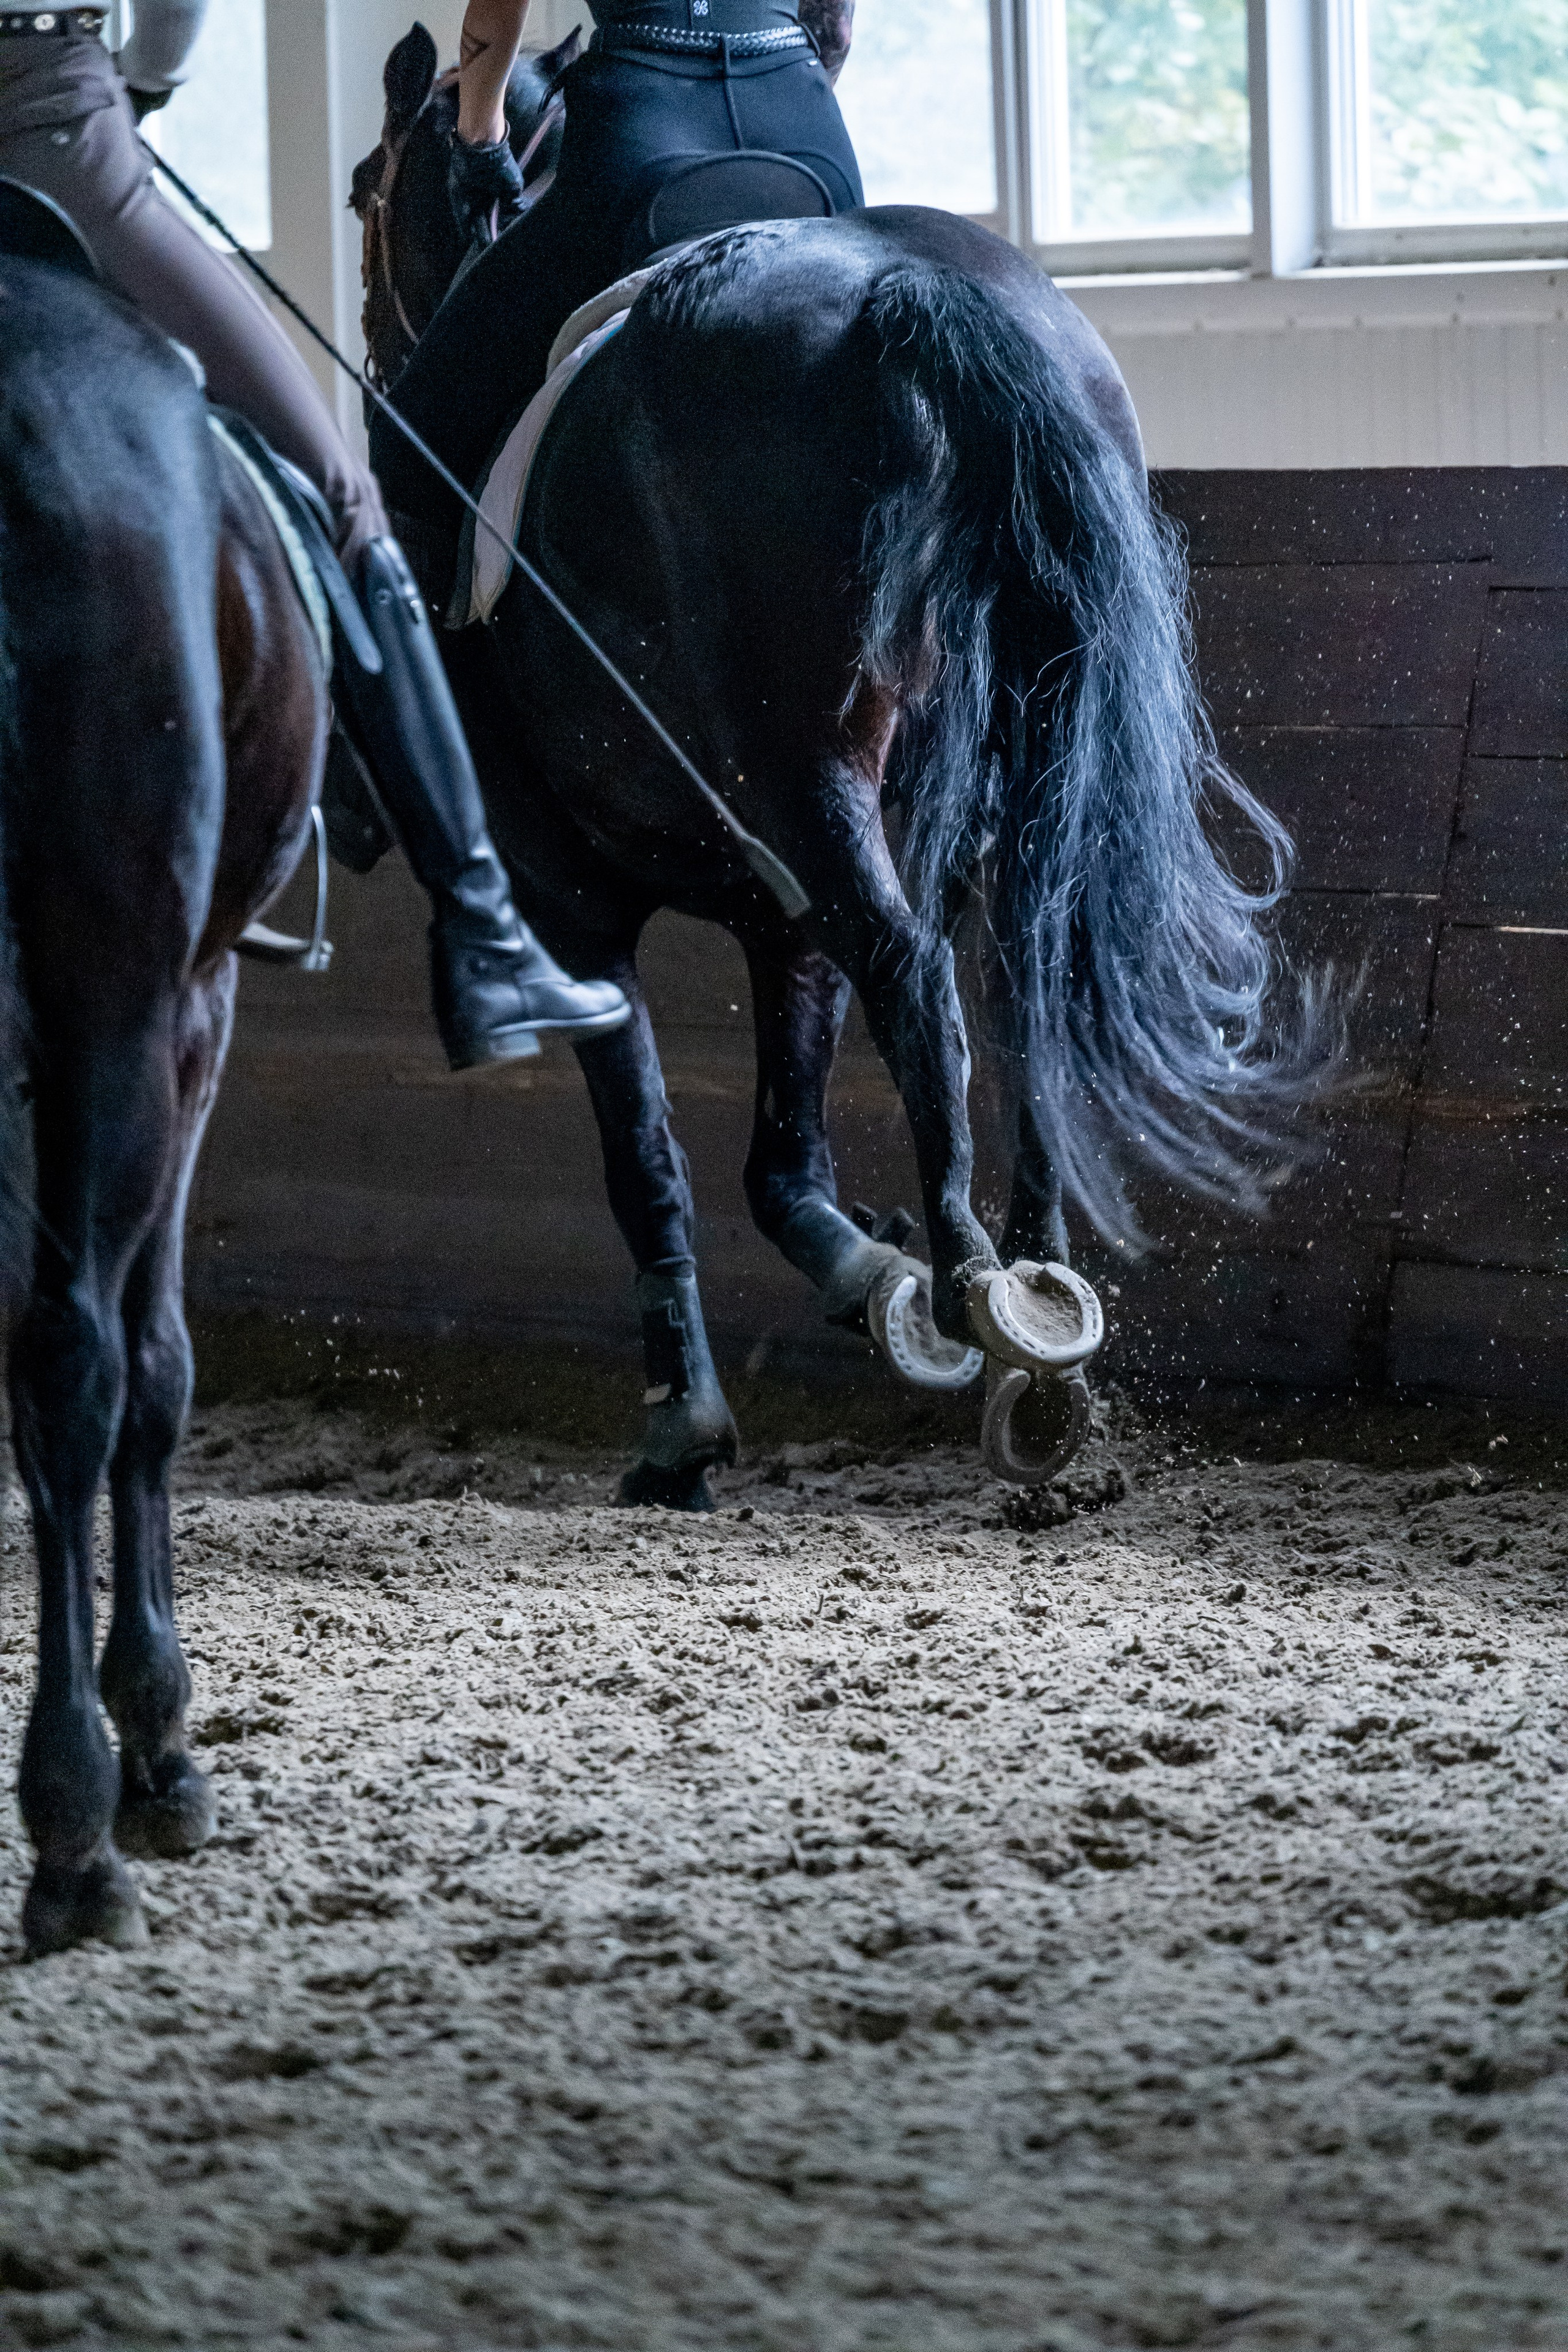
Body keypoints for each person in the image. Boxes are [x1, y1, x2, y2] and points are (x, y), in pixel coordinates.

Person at [0, 2, 628, 1071]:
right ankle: (483, 932)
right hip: (49, 130)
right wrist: (147, 82)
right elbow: (171, 19)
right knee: (343, 494)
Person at [372, 0, 862, 544]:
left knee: (407, 447)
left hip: (643, 137)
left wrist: (480, 144)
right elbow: (836, 25)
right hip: (808, 132)